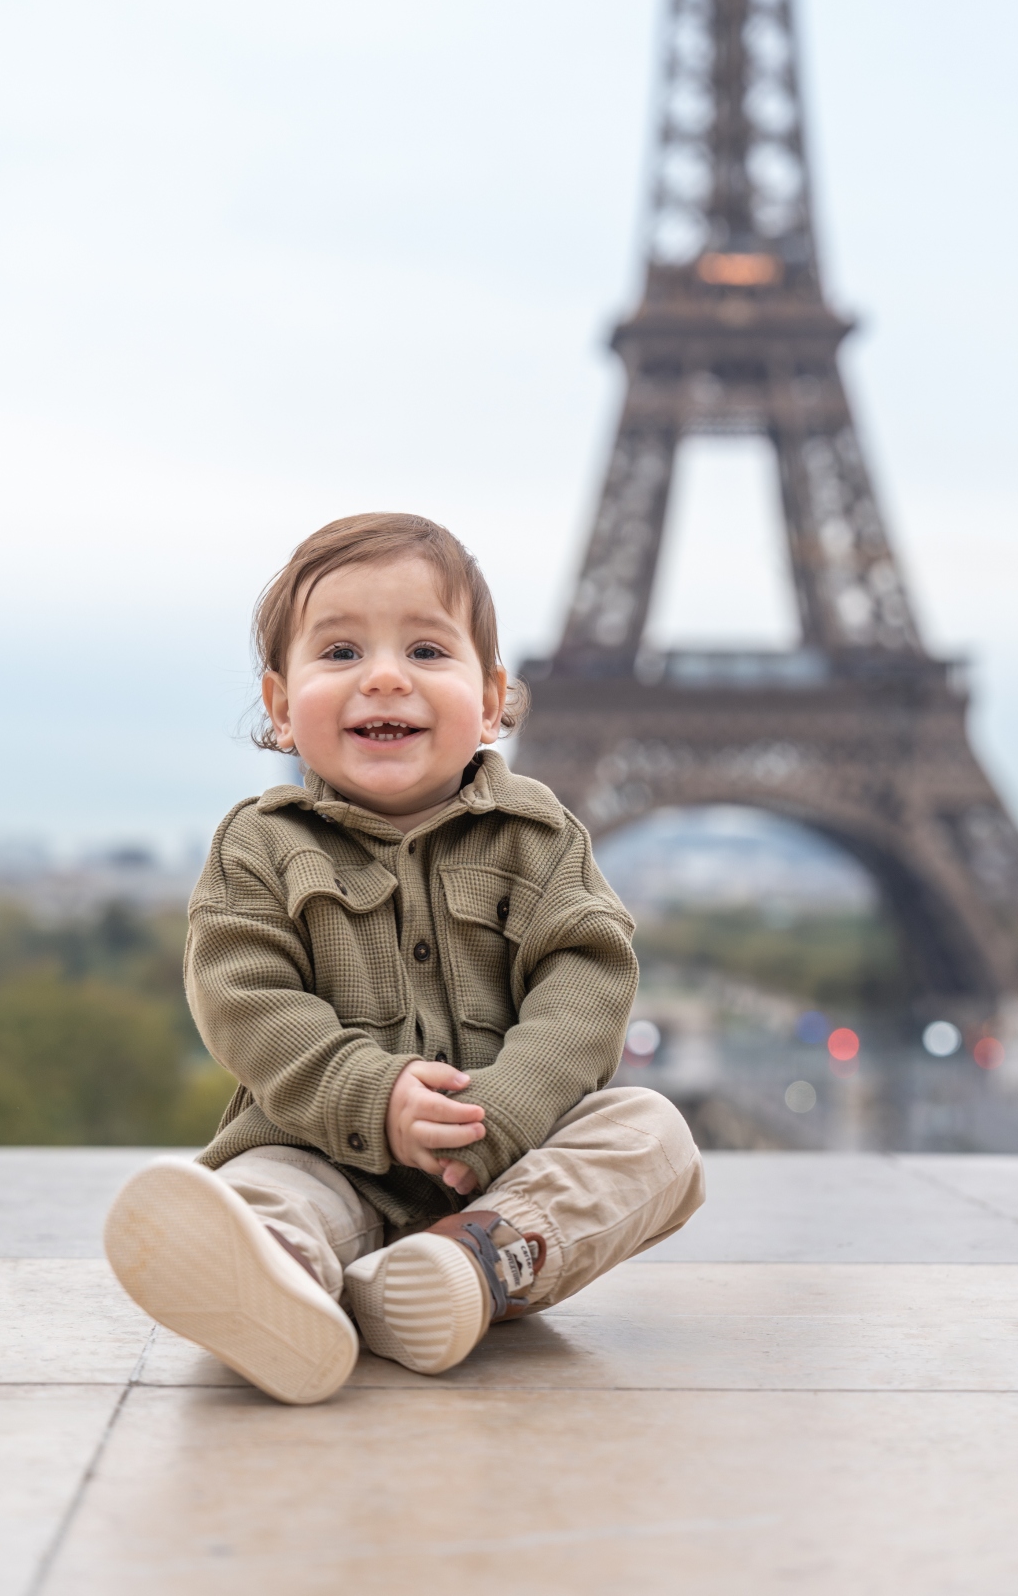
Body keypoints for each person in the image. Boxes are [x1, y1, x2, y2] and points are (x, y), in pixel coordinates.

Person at [104, 512, 704, 1404]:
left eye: (427, 651)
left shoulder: (540, 837)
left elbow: (587, 979)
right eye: (340, 653)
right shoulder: (257, 847)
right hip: (320, 1152)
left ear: (495, 698)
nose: (384, 676)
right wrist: (368, 1097)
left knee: (656, 1136)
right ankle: (283, 1269)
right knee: (268, 1188)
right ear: (278, 707)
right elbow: (245, 998)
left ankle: (460, 1267)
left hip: (501, 1171)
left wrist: (503, 1110)